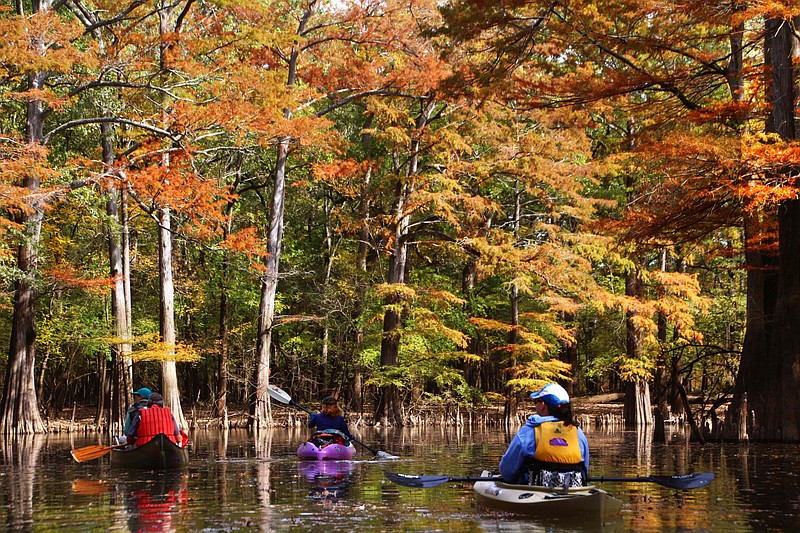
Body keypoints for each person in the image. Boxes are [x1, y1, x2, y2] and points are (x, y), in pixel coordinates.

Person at [499, 383, 590, 488]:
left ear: (543, 405)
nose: (535, 405)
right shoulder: (578, 432)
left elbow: (507, 471)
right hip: (572, 491)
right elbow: (585, 469)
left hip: (534, 494)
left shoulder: (528, 431)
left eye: (536, 402)